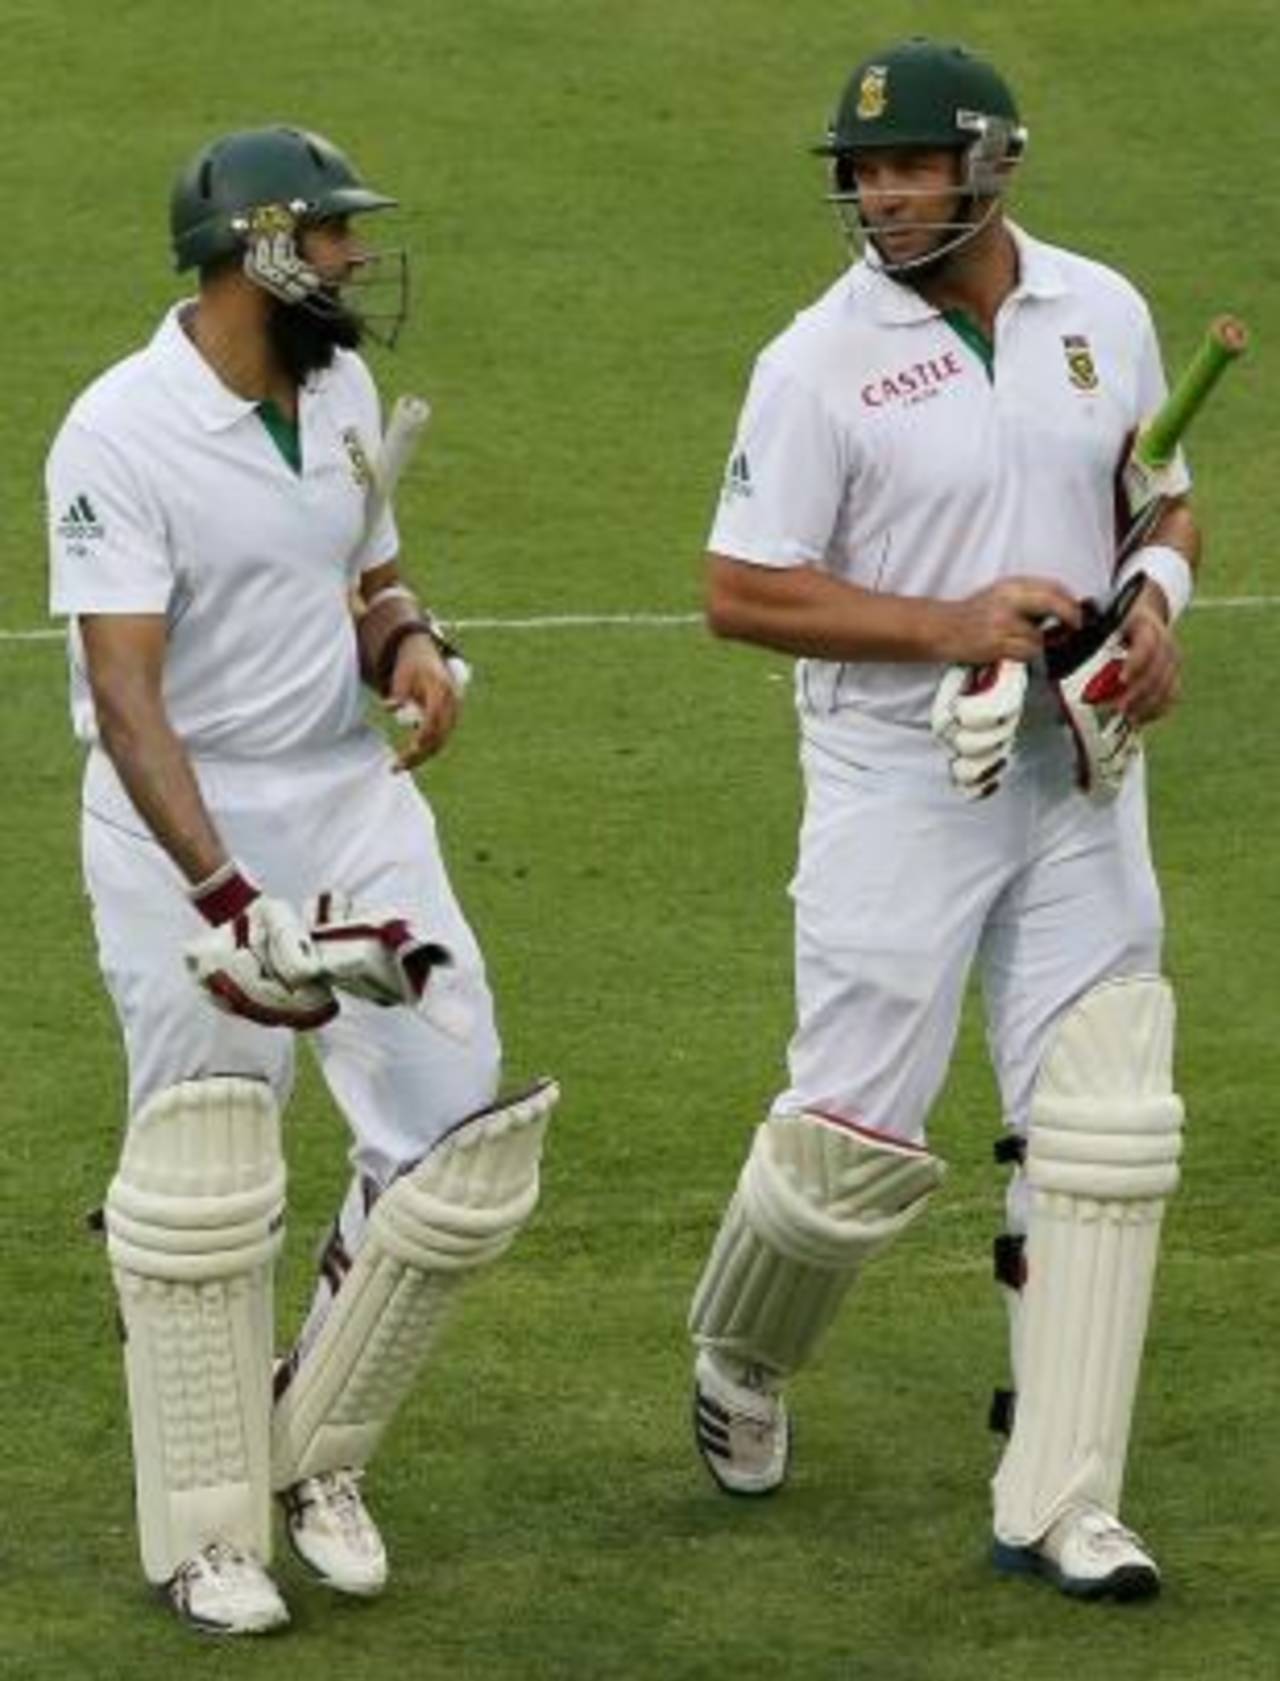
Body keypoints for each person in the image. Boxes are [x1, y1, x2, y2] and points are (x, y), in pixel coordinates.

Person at [686, 38, 1197, 1602]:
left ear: (994, 164)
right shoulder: (815, 362)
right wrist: (951, 622)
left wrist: (1159, 598)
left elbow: (1158, 486)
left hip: (1080, 774)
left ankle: (1064, 1491)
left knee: (1106, 1125)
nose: (884, 195)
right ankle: (743, 1353)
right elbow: (740, 588)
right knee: (847, 1146)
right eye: (864, 172)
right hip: (900, 778)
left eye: (912, 166)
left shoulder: (1100, 310)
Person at [46, 125, 558, 1636]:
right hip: (183, 827)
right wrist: (222, 894)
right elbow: (127, 698)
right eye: (332, 237)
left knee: (456, 1132)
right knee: (209, 1173)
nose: (353, 260)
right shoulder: (117, 433)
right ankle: (208, 1527)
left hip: (352, 800)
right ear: (251, 250)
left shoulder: (333, 387)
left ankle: (313, 1447)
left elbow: (371, 566)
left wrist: (408, 643)